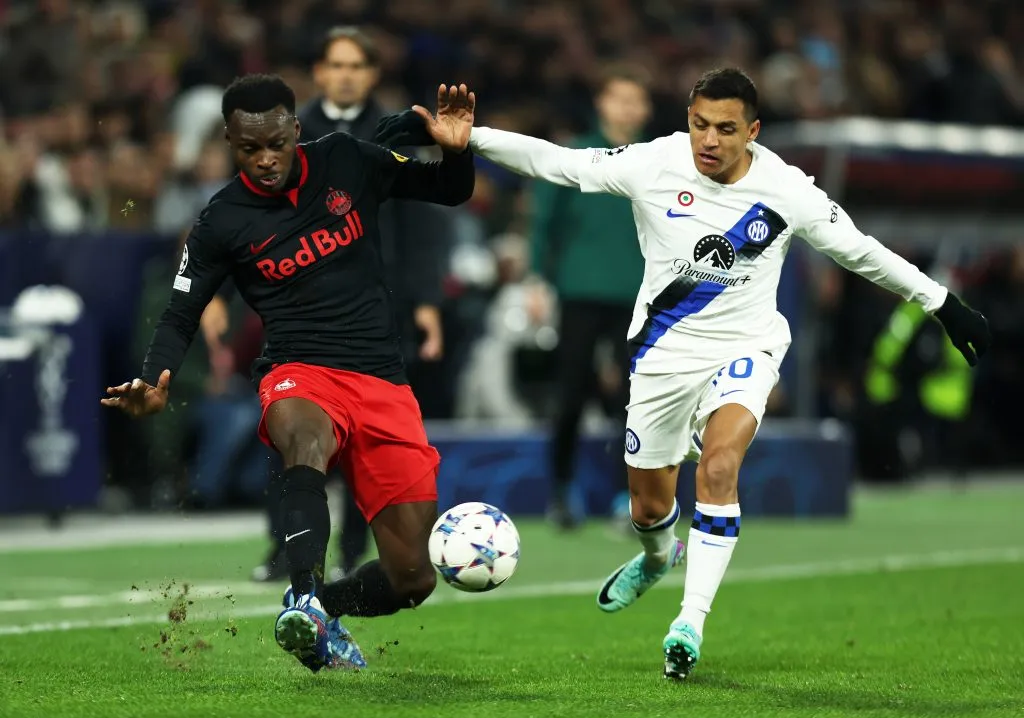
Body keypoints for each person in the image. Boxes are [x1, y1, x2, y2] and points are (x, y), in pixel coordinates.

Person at [462, 67, 991, 679]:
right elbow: (558, 163)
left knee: (718, 467)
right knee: (648, 508)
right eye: (699, 125)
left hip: (746, 348)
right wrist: (469, 137)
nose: (708, 140)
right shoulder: (654, 163)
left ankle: (689, 622)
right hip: (662, 358)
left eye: (725, 129)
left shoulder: (786, 190)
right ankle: (657, 556)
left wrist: (941, 302)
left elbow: (861, 251)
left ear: (753, 131)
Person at [101, 74, 476, 673]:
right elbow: (179, 313)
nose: (266, 159)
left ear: (296, 130)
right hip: (300, 371)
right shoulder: (221, 220)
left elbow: (448, 190)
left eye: (276, 143)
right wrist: (153, 378)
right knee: (304, 440)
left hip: (382, 379)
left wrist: (456, 151)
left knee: (413, 576)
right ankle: (303, 593)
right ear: (229, 142)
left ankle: (324, 610)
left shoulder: (345, 160)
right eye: (249, 148)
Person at [250, 26, 450, 584]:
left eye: (355, 66)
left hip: (377, 306)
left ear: (372, 75)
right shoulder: (285, 133)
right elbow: (247, 219)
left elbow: (420, 224)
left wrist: (426, 301)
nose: (344, 75)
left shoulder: (396, 132)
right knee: (291, 429)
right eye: (336, 65)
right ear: (319, 72)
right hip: (298, 307)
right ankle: (285, 547)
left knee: (369, 433)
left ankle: (354, 549)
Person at [527, 63, 651, 530]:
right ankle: (561, 492)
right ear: (601, 102)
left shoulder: (659, 159)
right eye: (618, 98)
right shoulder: (576, 155)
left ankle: (631, 498)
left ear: (646, 108)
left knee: (636, 401)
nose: (626, 108)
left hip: (639, 296)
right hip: (578, 289)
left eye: (634, 100)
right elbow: (544, 223)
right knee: (571, 395)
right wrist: (536, 280)